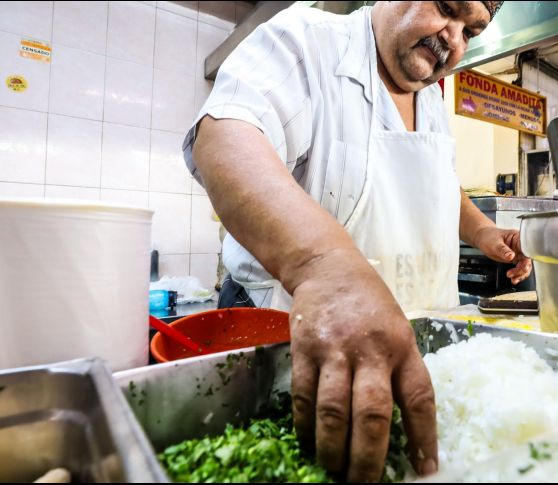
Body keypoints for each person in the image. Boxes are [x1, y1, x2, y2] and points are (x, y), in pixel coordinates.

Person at [183, 1, 530, 480]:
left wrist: (483, 231)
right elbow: (223, 135)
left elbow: (437, 186)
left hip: (404, 354)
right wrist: (324, 265)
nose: (453, 38)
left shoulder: (430, 98)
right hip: (291, 340)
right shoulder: (308, 39)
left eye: (470, 31)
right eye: (448, 8)